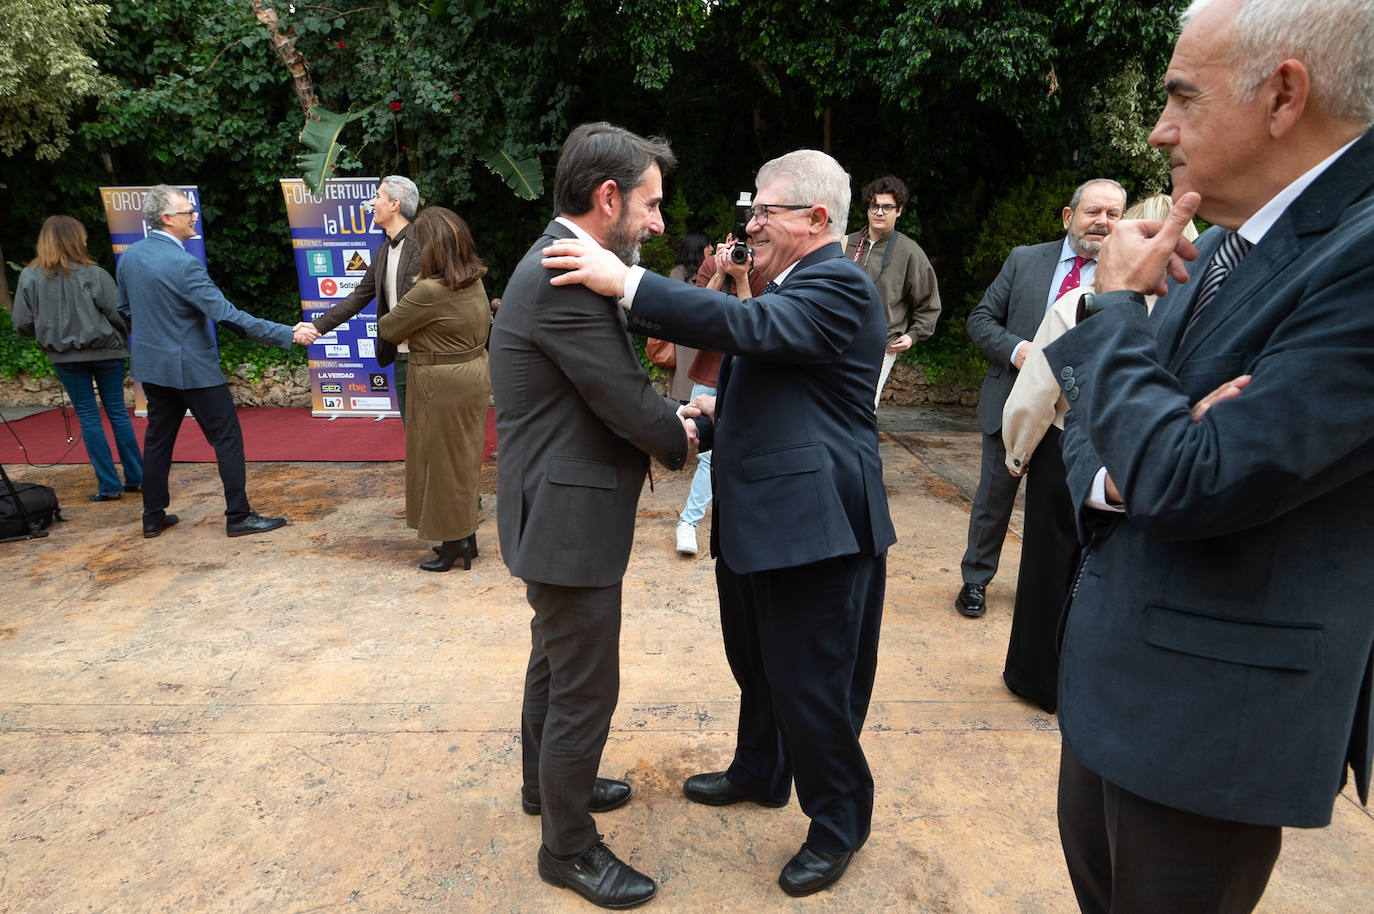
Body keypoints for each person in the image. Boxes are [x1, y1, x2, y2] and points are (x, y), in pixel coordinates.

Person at [1038, 0, 1374, 910]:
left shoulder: (1360, 254)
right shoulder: (1224, 239)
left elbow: (1194, 479)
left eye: (1183, 97)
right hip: (1117, 690)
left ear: (1283, 95)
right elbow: (1097, 433)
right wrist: (1142, 452)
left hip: (1208, 733)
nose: (1158, 130)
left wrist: (1113, 319)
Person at [543, 148, 896, 898]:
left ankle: (838, 822)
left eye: (766, 211)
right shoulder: (791, 282)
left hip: (817, 527)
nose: (753, 224)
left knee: (813, 684)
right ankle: (761, 770)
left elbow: (752, 329)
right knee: (758, 664)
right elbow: (779, 372)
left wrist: (629, 282)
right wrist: (714, 408)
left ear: (816, 219)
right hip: (764, 516)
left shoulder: (839, 282)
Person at [488, 122, 693, 910]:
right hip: (569, 521)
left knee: (554, 662)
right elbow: (628, 404)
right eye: (651, 204)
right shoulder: (566, 274)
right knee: (584, 686)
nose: (660, 222)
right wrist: (687, 431)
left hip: (555, 510)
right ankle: (567, 848)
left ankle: (549, 795)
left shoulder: (571, 260)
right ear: (608, 199)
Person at [998, 195, 1197, 714]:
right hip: (1155, 455)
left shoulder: (1080, 304)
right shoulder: (1195, 308)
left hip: (1070, 448)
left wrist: (1017, 452)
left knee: (1046, 568)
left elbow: (1038, 390)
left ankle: (1036, 675)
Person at [957, 177, 1126, 618]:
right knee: (993, 503)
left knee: (1057, 514)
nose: (1102, 223)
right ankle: (975, 581)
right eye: (1093, 212)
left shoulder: (1129, 275)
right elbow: (980, 319)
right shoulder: (1025, 260)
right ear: (1069, 216)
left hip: (1077, 419)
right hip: (1013, 404)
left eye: (1113, 215)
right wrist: (1019, 352)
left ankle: (1049, 591)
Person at [116, 184, 313, 539]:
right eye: (187, 212)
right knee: (227, 439)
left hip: (153, 368)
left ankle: (152, 515)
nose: (195, 217)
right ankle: (238, 516)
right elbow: (227, 316)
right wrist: (287, 333)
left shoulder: (129, 257)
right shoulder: (183, 264)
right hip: (193, 368)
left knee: (158, 439)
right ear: (166, 219)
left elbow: (125, 310)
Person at [377, 207, 491, 572]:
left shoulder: (428, 290)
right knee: (463, 458)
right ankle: (466, 536)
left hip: (440, 382)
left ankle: (453, 543)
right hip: (472, 374)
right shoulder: (474, 279)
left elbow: (389, 327)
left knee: (441, 463)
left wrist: (419, 331)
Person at [307, 176, 420, 518]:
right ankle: (422, 502)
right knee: (414, 438)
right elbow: (359, 296)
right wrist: (316, 326)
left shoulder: (424, 244)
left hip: (429, 361)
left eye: (376, 196)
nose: (370, 203)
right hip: (399, 361)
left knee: (438, 438)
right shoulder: (385, 249)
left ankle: (462, 504)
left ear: (394, 204)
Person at [13, 216, 143, 502]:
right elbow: (119, 312)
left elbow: (21, 322)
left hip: (64, 356)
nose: (85, 241)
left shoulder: (30, 276)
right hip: (107, 351)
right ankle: (137, 477)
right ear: (75, 239)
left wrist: (46, 332)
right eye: (82, 236)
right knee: (118, 413)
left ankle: (109, 486)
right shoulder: (93, 273)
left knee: (88, 416)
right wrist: (124, 334)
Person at [672, 237, 765, 557]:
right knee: (706, 451)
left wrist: (742, 277)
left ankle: (719, 522)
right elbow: (695, 315)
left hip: (749, 372)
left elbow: (753, 326)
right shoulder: (714, 263)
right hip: (711, 370)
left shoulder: (764, 267)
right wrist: (721, 272)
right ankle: (690, 522)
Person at [843, 175, 942, 408]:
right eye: (874, 205)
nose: (879, 212)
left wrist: (913, 335)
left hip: (880, 345)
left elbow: (929, 304)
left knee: (862, 407)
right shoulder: (845, 244)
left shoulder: (910, 252)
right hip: (839, 340)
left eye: (887, 207)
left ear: (899, 211)